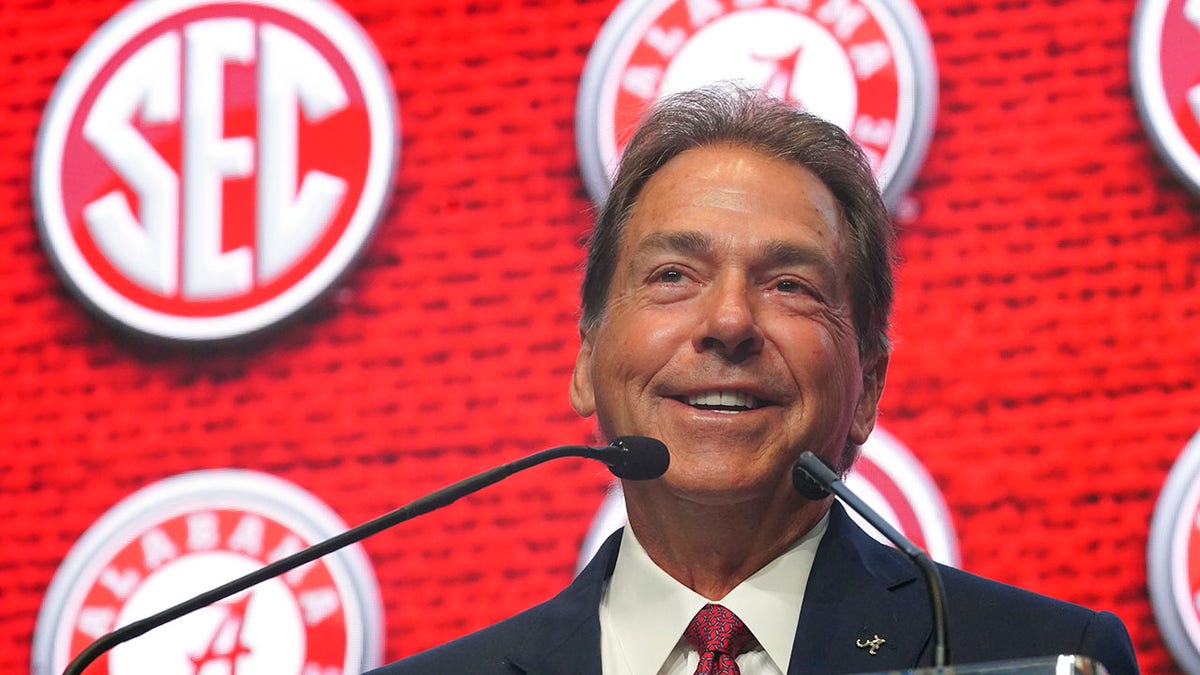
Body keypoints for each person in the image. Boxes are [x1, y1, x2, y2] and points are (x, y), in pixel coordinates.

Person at [367, 85, 1139, 675]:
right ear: (585, 358)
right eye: (674, 275)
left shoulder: (1041, 654)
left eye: (790, 285)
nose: (730, 320)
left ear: (867, 385)